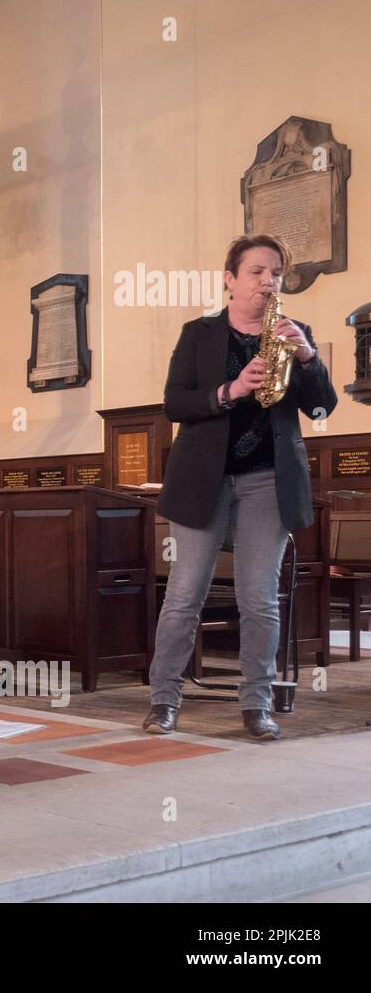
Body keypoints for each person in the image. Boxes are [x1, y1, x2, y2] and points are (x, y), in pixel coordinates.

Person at [144, 234, 338, 740]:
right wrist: (229, 391)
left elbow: (322, 407)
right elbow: (175, 404)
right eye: (256, 271)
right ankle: (163, 701)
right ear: (230, 279)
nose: (267, 280)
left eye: (275, 272)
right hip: (202, 481)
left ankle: (257, 706)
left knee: (259, 598)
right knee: (185, 594)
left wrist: (310, 358)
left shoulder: (297, 334)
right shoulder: (199, 335)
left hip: (268, 481)